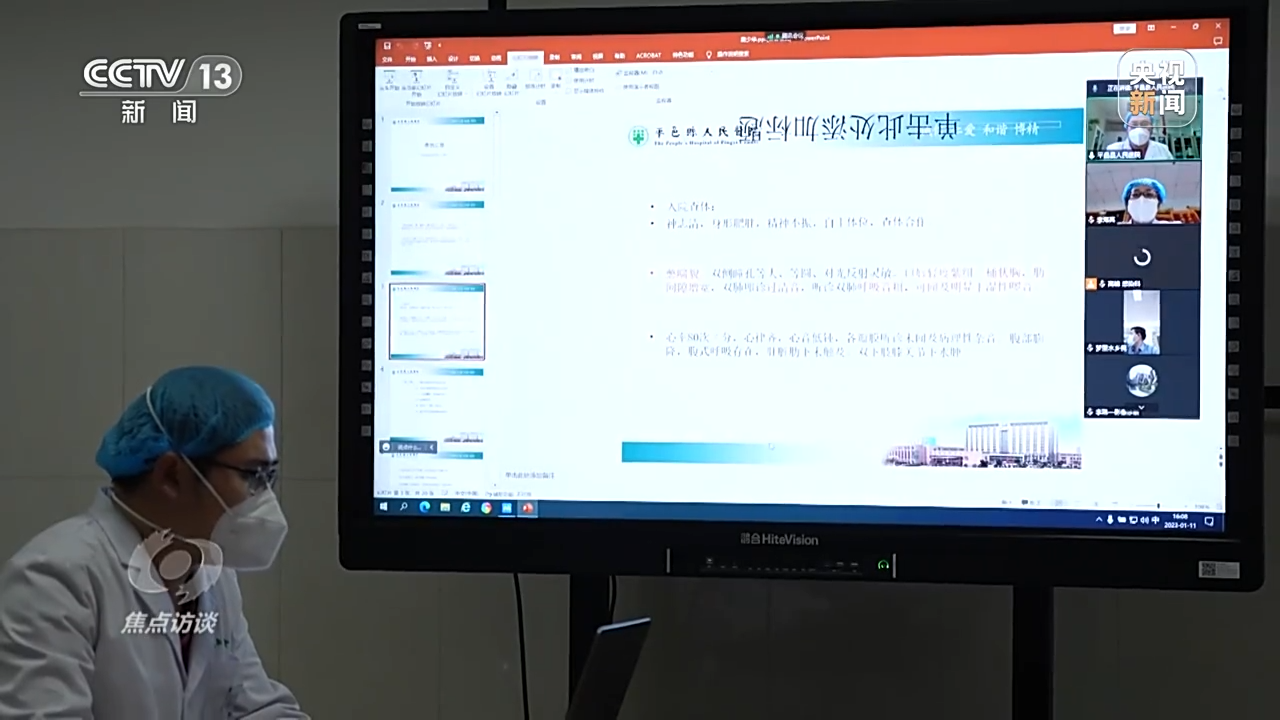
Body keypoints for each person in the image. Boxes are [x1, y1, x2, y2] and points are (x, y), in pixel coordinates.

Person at [0, 366, 308, 719]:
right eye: (253, 475)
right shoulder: (53, 580)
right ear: (171, 475)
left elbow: (256, 707)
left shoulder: (211, 573)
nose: (265, 497)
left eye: (270, 476)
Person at [1105, 113, 1174, 160]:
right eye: (1133, 125)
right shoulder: (1112, 149)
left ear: (1152, 129)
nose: (1139, 129)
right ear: (1127, 129)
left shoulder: (1163, 150)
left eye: (1144, 124)